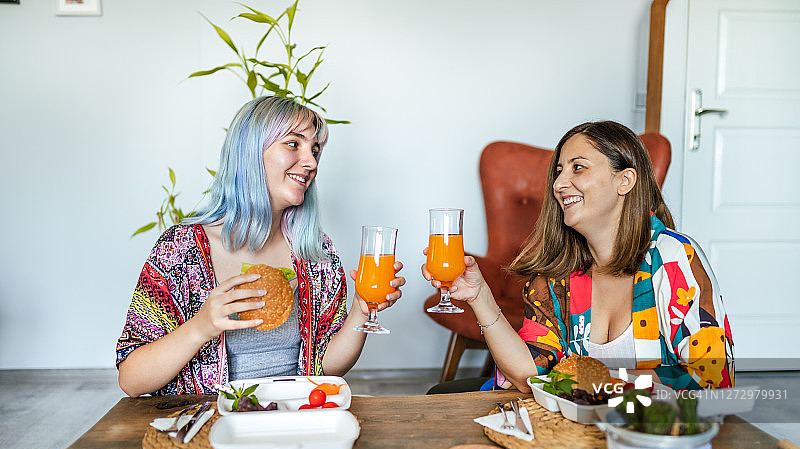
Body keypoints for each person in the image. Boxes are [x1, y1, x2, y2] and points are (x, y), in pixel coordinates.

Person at [117, 96, 405, 397]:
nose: (311, 162)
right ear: (250, 151)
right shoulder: (180, 249)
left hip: (295, 421)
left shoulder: (316, 253)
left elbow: (325, 369)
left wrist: (360, 311)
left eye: (315, 150)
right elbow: (131, 380)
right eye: (294, 144)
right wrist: (200, 327)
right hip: (209, 429)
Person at [423, 121, 733, 393]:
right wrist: (480, 297)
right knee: (442, 395)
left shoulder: (674, 258)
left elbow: (713, 383)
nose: (558, 185)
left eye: (578, 167)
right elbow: (529, 373)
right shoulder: (560, 272)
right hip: (574, 438)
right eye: (558, 172)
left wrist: (592, 385)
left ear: (624, 180)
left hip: (653, 438)